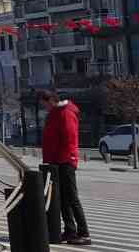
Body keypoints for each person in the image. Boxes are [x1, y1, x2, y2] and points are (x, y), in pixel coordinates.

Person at [39, 89, 90, 246]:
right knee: (62, 198)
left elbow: (68, 138)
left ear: (51, 101)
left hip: (65, 160)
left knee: (71, 196)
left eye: (45, 104)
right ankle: (70, 230)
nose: (44, 108)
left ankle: (84, 232)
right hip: (56, 160)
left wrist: (58, 158)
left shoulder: (65, 113)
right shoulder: (55, 113)